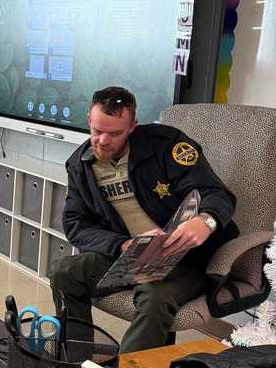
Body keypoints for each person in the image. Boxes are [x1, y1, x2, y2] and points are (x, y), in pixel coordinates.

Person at [50, 86, 237, 353]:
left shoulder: (167, 145)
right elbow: (75, 224)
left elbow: (215, 192)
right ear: (89, 120)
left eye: (114, 133)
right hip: (128, 252)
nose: (103, 140)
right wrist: (122, 244)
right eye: (97, 130)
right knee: (64, 272)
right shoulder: (80, 164)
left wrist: (205, 221)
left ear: (133, 126)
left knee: (153, 296)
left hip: (184, 259)